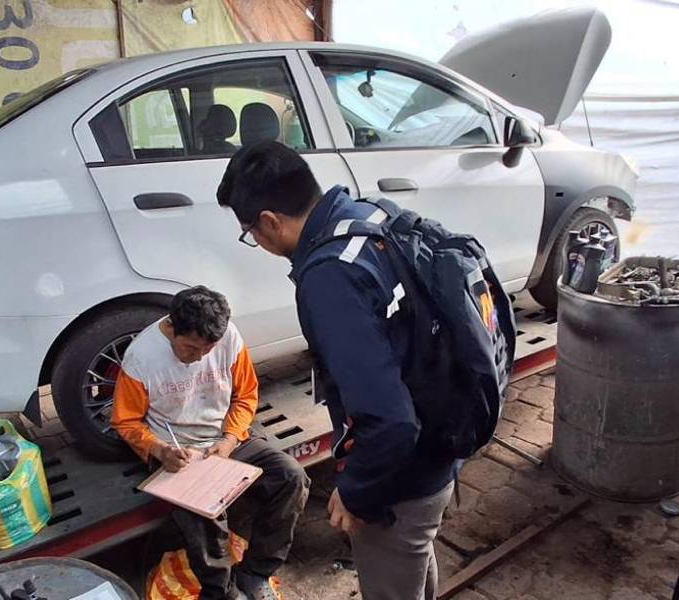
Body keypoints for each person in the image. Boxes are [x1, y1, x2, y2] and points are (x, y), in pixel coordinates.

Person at [216, 141, 456, 600]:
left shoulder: (329, 276)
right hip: (440, 434)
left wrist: (357, 490)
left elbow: (390, 423)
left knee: (394, 570)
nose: (257, 242)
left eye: (251, 232)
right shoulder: (369, 215)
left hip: (403, 471)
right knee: (414, 554)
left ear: (269, 221)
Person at [111, 286, 310, 600]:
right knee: (202, 513)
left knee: (292, 477)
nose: (200, 357)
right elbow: (126, 421)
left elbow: (246, 396)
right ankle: (220, 591)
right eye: (191, 348)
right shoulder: (141, 357)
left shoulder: (228, 337)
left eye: (208, 349)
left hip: (227, 438)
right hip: (177, 451)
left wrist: (229, 439)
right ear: (171, 327)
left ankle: (255, 573)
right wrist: (160, 450)